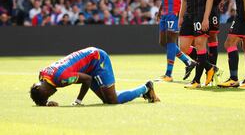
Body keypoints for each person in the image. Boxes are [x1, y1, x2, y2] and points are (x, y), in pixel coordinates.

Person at [30, 47, 160, 106]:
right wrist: (46, 103)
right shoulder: (42, 75)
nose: (52, 94)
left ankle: (146, 88)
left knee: (113, 100)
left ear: (45, 91)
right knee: (107, 100)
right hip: (88, 66)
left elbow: (87, 79)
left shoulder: (62, 79)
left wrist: (78, 101)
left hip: (97, 59)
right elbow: (40, 92)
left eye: (48, 95)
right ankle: (144, 92)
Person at [179, 0, 219, 88]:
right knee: (183, 47)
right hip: (189, 15)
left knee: (200, 45)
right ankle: (209, 67)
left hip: (201, 15)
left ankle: (196, 81)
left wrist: (206, 18)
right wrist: (180, 16)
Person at [157, 0, 197, 82]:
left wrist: (186, 8)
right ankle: (188, 62)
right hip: (164, 12)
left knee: (171, 41)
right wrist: (160, 8)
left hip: (174, 11)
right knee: (164, 42)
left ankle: (168, 74)